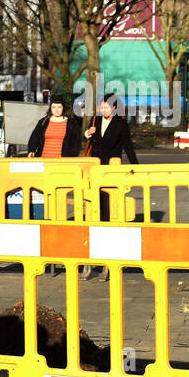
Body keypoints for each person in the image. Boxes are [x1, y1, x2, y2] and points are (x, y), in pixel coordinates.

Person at [82, 93, 138, 279]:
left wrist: (136, 167)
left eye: (105, 107)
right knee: (94, 204)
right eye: (101, 107)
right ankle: (97, 237)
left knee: (108, 205)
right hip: (95, 166)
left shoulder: (121, 124)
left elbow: (127, 146)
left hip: (111, 167)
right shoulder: (97, 120)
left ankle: (107, 242)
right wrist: (88, 133)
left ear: (114, 108)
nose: (102, 110)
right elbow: (90, 138)